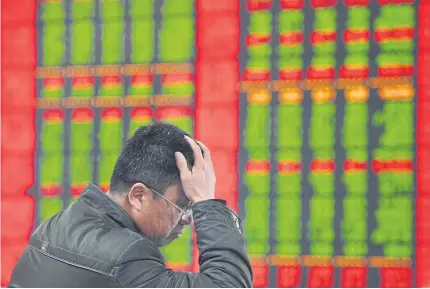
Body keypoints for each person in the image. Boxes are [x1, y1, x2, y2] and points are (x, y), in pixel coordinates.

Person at [8, 122, 253, 287]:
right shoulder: (128, 255)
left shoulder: (56, 225)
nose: (188, 219)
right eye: (183, 205)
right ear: (138, 196)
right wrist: (207, 203)